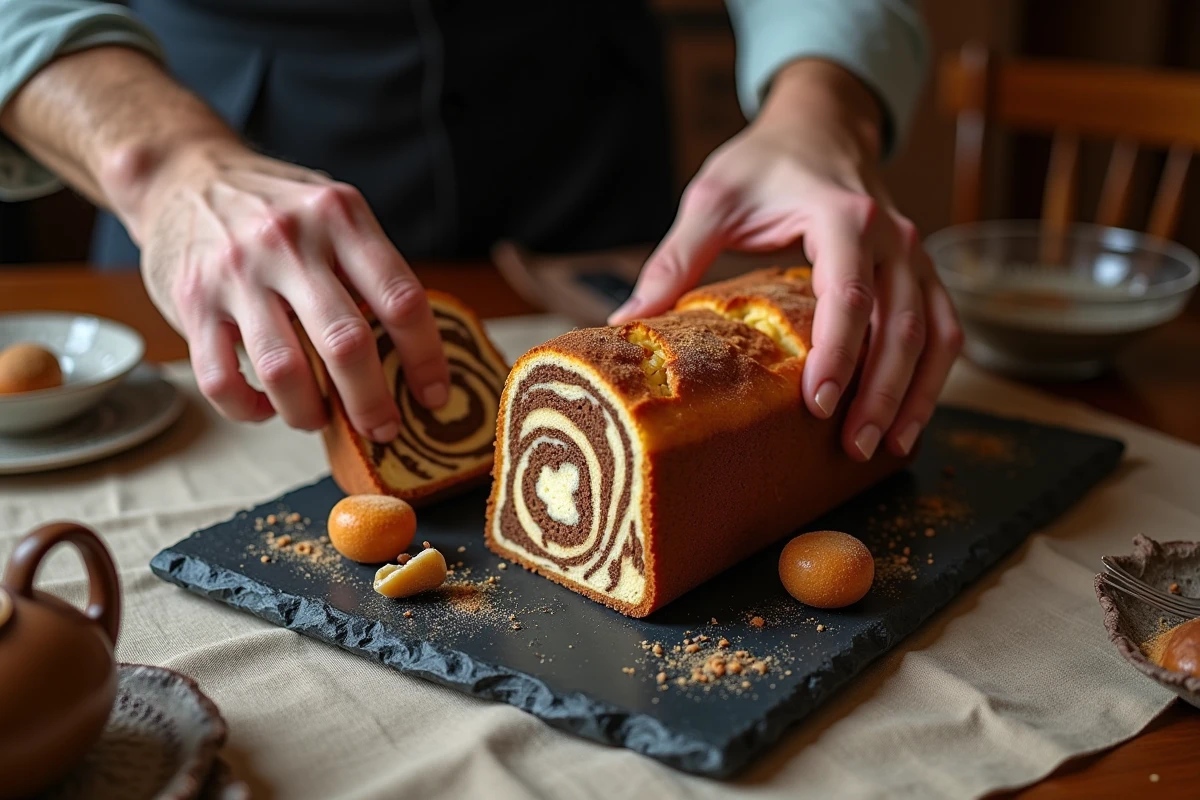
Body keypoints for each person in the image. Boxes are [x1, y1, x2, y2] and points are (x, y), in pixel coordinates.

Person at [0, 0, 961, 463]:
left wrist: (822, 105)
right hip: (220, 191)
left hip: (585, 144)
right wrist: (158, 164)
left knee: (655, 436)